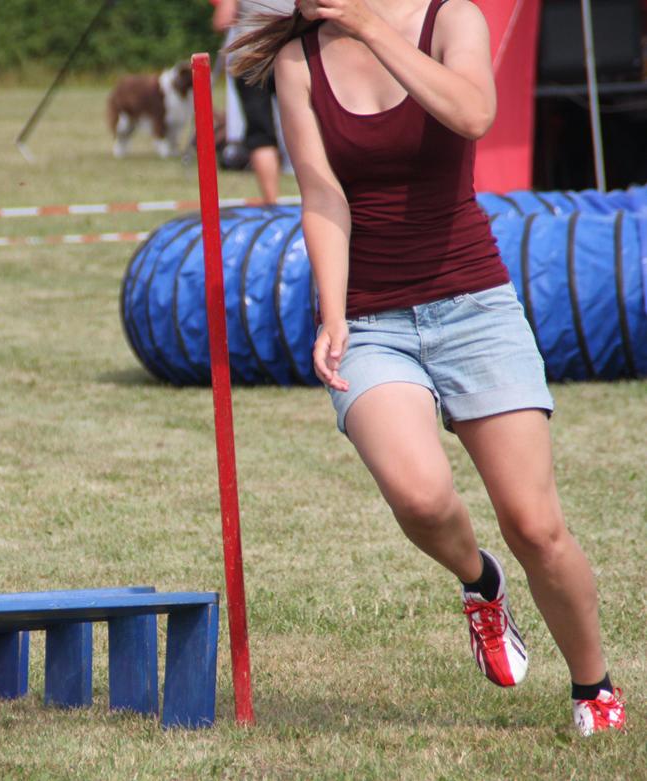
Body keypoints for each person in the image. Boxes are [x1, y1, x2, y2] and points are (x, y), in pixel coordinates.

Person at [228, 0, 625, 736]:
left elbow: (473, 113)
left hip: (475, 306)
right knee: (418, 496)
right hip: (374, 322)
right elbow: (321, 194)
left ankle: (592, 685)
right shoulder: (297, 60)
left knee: (536, 526)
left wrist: (375, 29)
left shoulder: (452, 19)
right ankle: (481, 582)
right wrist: (335, 312)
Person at [212, 0, 284, 204]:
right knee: (307, 128)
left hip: (250, 56)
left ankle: (272, 202)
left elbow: (222, 21)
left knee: (260, 133)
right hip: (292, 53)